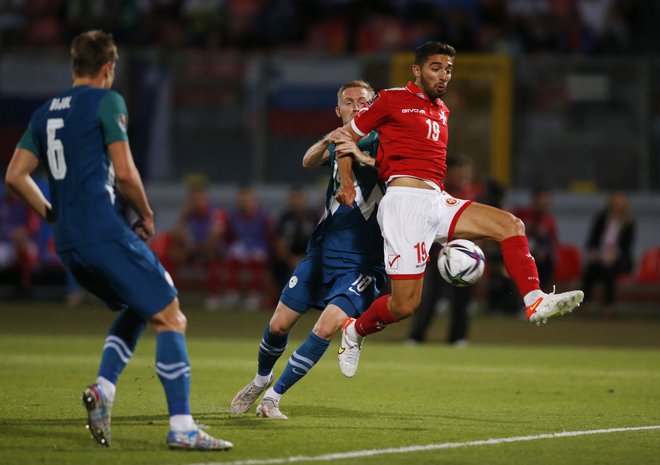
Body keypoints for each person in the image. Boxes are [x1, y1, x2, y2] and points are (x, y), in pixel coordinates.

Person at [4, 30, 231, 450]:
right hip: (103, 231)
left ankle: (103, 392)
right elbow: (125, 173)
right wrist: (146, 213)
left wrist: (53, 214)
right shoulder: (108, 101)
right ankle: (181, 426)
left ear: (74, 65)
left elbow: (15, 176)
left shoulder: (44, 113)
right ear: (109, 68)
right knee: (171, 313)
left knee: (137, 304)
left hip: (68, 243)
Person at [333, 41, 584, 377]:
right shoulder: (391, 99)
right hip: (404, 206)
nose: (444, 75)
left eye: (448, 69)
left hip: (438, 200)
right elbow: (343, 137)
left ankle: (534, 300)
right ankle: (353, 331)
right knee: (405, 305)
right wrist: (347, 182)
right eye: (436, 67)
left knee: (510, 225)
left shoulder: (442, 110)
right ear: (417, 70)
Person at [228, 79, 385, 419]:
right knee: (278, 325)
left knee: (326, 327)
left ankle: (274, 397)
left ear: (374, 105)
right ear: (339, 110)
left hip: (363, 264)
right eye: (349, 102)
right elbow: (307, 160)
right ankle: (259, 381)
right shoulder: (339, 140)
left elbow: (397, 172)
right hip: (322, 255)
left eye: (363, 101)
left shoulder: (383, 141)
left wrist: (356, 153)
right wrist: (331, 137)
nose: (357, 106)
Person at [406, 154, 480, 346]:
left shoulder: (472, 194)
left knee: (462, 299)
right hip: (437, 252)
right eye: (457, 172)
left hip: (465, 255)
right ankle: (416, 335)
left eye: (462, 172)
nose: (460, 176)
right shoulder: (437, 193)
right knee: (430, 296)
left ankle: (458, 337)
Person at [581, 191, 635, 316]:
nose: (617, 207)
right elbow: (592, 241)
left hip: (620, 259)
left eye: (620, 204)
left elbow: (626, 247)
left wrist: (613, 255)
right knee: (590, 269)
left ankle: (609, 304)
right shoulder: (601, 219)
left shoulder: (629, 223)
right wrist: (592, 252)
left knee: (609, 269)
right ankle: (585, 304)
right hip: (600, 256)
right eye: (615, 203)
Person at [224, 185, 273, 310]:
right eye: (242, 199)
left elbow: (269, 235)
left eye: (247, 199)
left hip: (258, 245)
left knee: (256, 260)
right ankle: (232, 292)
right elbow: (228, 235)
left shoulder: (262, 215)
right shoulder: (233, 215)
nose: (244, 202)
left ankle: (254, 294)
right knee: (232, 256)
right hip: (242, 245)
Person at [511, 185, 559, 292]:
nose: (544, 202)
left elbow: (553, 246)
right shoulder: (520, 214)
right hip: (519, 256)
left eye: (547, 198)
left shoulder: (549, 221)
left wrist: (544, 253)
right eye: (542, 198)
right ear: (535, 199)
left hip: (541, 263)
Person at [270, 185, 318, 292]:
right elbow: (280, 244)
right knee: (277, 265)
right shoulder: (285, 218)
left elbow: (319, 243)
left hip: (309, 256)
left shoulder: (313, 217)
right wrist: (290, 260)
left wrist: (304, 259)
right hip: (289, 258)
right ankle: (280, 295)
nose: (297, 202)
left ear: (305, 201)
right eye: (294, 198)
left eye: (299, 198)